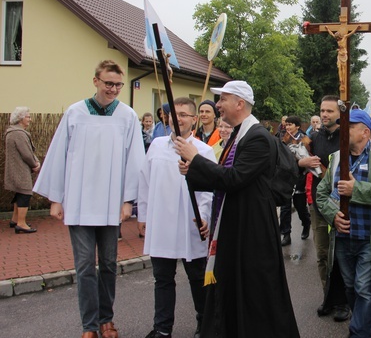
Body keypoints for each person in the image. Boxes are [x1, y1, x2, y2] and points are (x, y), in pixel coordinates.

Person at [172, 80, 299, 338]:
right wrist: (193, 170)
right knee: (234, 289)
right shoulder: (240, 133)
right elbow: (224, 177)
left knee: (255, 293)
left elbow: (234, 179)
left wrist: (196, 159)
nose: (218, 105)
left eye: (223, 99)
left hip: (253, 231)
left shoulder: (257, 138)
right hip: (238, 223)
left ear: (240, 103)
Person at [34, 59, 145, 338]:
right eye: (109, 83)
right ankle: (90, 325)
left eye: (118, 85)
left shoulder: (127, 116)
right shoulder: (75, 113)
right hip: (80, 203)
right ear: (95, 81)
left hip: (110, 204)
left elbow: (134, 161)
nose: (114, 89)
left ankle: (106, 319)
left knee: (108, 264)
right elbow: (58, 155)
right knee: (84, 265)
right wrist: (56, 198)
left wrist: (128, 200)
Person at [316, 109, 371, 338]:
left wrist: (358, 190)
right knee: (350, 287)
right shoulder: (336, 157)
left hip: (369, 239)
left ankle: (358, 334)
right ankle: (360, 324)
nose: (344, 130)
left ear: (365, 132)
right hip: (343, 239)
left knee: (364, 289)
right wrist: (332, 216)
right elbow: (321, 194)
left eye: (350, 126)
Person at [138, 97, 214, 338]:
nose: (178, 118)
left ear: (194, 120)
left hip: (190, 223)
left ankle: (205, 322)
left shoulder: (203, 150)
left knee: (197, 278)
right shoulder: (156, 146)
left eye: (184, 114)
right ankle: (162, 328)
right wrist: (142, 215)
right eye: (174, 114)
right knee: (162, 278)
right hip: (162, 222)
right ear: (167, 118)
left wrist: (204, 217)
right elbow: (145, 182)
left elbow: (210, 191)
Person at [299, 95, 351, 321]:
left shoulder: (348, 137)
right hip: (319, 205)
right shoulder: (316, 137)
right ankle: (328, 297)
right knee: (321, 255)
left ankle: (344, 302)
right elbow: (307, 167)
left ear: (340, 113)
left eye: (329, 111)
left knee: (341, 256)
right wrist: (302, 163)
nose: (324, 115)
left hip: (341, 207)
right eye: (322, 110)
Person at [4, 106, 40, 234]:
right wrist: (34, 164)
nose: (30, 119)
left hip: (16, 168)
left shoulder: (13, 132)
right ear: (20, 119)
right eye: (28, 117)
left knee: (19, 192)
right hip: (20, 169)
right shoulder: (18, 134)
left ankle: (15, 220)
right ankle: (21, 223)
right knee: (25, 193)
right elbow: (26, 153)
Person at [279, 115, 311, 246]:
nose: (288, 127)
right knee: (285, 207)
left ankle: (306, 223)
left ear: (297, 126)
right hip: (286, 176)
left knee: (300, 206)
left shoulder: (305, 138)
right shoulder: (282, 137)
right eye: (286, 125)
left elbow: (310, 154)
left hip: (300, 176)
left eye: (290, 124)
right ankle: (286, 234)